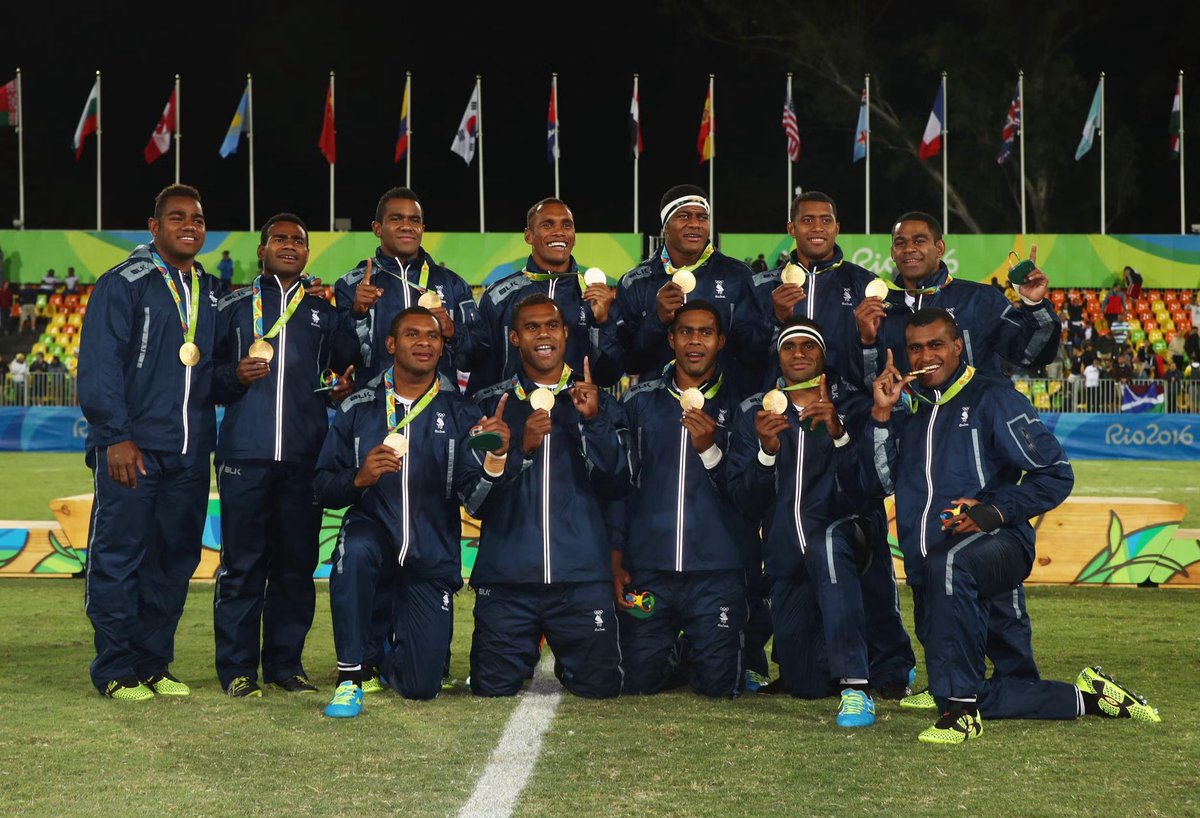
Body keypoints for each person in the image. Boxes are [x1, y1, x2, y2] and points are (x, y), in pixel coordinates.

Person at [864, 307, 1160, 743]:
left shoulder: (993, 397)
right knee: (1001, 682)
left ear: (958, 346)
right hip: (935, 562)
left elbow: (1056, 475)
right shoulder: (912, 410)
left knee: (954, 645)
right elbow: (882, 481)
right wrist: (883, 415)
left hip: (998, 543)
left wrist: (992, 510)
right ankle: (1089, 697)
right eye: (915, 347)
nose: (926, 355)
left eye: (936, 344)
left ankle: (963, 713)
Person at [747, 191, 915, 699]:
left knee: (866, 570)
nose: (816, 227)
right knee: (804, 683)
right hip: (785, 414)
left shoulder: (861, 286)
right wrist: (769, 319)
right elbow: (746, 352)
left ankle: (891, 666)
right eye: (806, 220)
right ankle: (808, 661)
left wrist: (865, 345)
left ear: (838, 226)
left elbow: (879, 367)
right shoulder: (763, 285)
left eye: (825, 219)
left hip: (845, 415)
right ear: (791, 226)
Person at [77, 184, 223, 701]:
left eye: (198, 219)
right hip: (133, 450)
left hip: (189, 450)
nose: (190, 225)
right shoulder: (124, 282)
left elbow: (211, 372)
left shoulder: (208, 289)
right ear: (154, 226)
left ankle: (154, 661)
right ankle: (115, 667)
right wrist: (115, 437)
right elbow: (99, 366)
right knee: (120, 556)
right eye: (177, 217)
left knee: (174, 560)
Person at [211, 213, 358, 699]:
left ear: (307, 251)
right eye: (280, 238)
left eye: (299, 239)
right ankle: (237, 669)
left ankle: (284, 665)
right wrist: (234, 375)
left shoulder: (323, 311)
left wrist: (340, 386)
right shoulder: (232, 306)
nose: (290, 245)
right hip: (244, 455)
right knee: (242, 565)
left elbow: (346, 369)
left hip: (303, 457)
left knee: (295, 566)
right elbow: (206, 376)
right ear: (262, 248)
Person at [314, 306, 485, 717]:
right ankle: (350, 677)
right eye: (412, 334)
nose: (424, 343)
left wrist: (493, 462)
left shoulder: (461, 411)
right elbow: (321, 486)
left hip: (430, 549)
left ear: (443, 347)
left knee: (422, 687)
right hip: (371, 532)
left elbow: (473, 496)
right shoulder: (358, 406)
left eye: (432, 336)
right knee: (353, 551)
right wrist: (358, 479)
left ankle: (390, 645)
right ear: (391, 344)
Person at [461, 293, 631, 698]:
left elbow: (618, 483)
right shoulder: (490, 406)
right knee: (491, 690)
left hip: (581, 579)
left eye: (551, 326)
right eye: (532, 327)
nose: (543, 335)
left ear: (566, 334)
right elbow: (475, 503)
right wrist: (518, 451)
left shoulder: (600, 402)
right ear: (515, 338)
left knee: (601, 690)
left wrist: (592, 424)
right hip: (507, 581)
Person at [727, 318, 879, 726]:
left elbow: (870, 490)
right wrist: (766, 452)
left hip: (844, 543)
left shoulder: (851, 405)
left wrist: (839, 434)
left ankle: (857, 687)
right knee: (805, 684)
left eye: (807, 346)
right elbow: (744, 499)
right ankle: (836, 664)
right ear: (777, 355)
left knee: (828, 545)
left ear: (822, 355)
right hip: (786, 559)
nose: (798, 353)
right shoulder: (753, 412)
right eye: (789, 346)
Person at [611, 301, 749, 698]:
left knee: (720, 688)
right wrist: (617, 558)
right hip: (651, 571)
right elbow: (622, 487)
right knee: (636, 680)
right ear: (671, 338)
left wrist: (710, 449)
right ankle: (675, 646)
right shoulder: (640, 401)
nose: (694, 341)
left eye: (705, 333)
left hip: (716, 574)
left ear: (720, 341)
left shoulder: (741, 404)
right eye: (686, 332)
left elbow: (747, 494)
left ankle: (704, 645)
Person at [459, 198, 622, 397]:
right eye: (547, 225)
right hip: (513, 416)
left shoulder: (595, 297)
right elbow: (482, 374)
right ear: (528, 236)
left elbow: (609, 377)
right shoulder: (498, 297)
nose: (559, 232)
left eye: (566, 225)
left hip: (576, 415)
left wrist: (603, 323)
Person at [615, 185, 761, 400]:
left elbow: (753, 355)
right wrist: (657, 320)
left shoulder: (738, 276)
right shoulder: (636, 281)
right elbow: (630, 363)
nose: (695, 224)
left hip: (724, 409)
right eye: (684, 216)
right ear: (665, 226)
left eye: (702, 217)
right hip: (658, 412)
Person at [334, 187, 477, 386]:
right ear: (377, 228)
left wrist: (453, 332)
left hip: (439, 406)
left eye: (414, 220)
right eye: (396, 219)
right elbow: (341, 360)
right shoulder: (351, 285)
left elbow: (477, 358)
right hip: (377, 407)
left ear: (422, 229)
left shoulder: (453, 284)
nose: (407, 226)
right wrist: (357, 315)